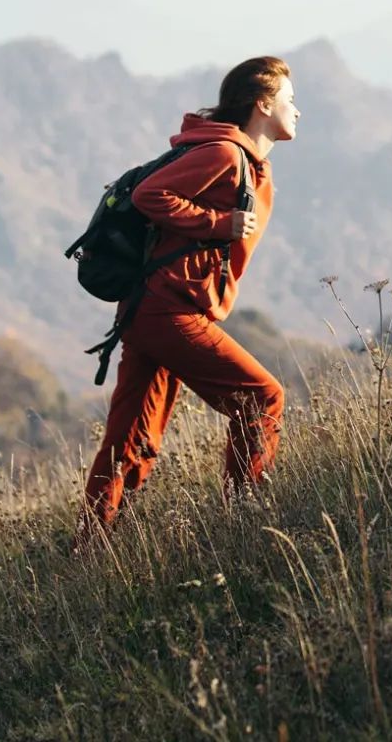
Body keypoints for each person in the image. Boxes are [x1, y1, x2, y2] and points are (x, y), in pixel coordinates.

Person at [74, 55, 300, 546]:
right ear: (262, 104)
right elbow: (150, 195)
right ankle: (245, 525)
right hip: (166, 309)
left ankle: (91, 549)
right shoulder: (223, 153)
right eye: (288, 99)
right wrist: (220, 224)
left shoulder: (243, 160)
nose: (297, 110)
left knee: (130, 439)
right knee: (261, 399)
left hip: (150, 308)